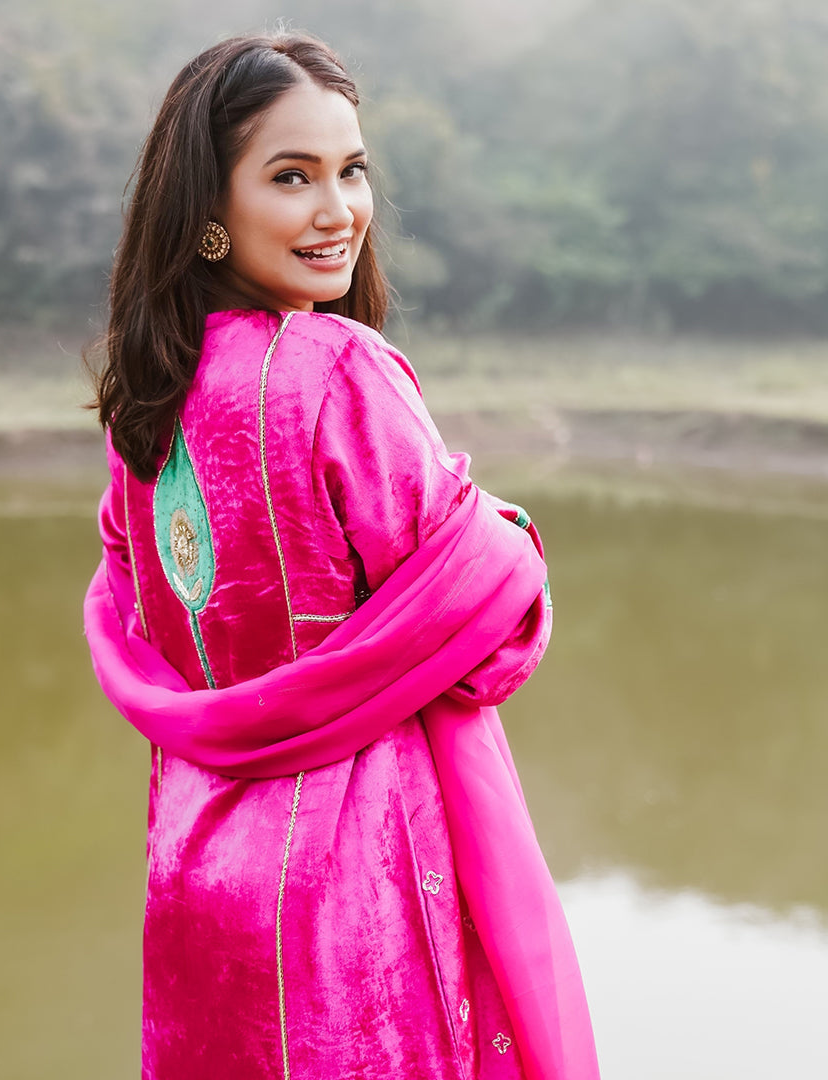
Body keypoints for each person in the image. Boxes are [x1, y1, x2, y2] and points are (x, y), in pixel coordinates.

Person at [83, 31, 598, 1080]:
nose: (338, 211)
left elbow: (151, 618)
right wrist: (506, 537)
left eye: (351, 170)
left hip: (197, 863)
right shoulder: (336, 373)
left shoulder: (147, 405)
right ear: (210, 216)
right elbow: (494, 638)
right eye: (291, 177)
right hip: (352, 883)